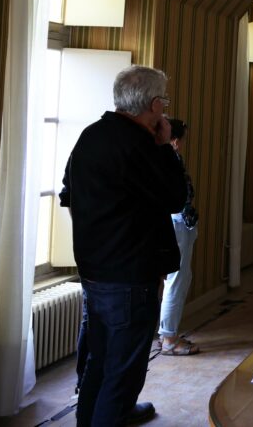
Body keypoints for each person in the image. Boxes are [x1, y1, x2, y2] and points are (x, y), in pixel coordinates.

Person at [63, 65, 187, 426]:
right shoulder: (140, 145)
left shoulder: (92, 134)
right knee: (123, 372)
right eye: (164, 101)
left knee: (100, 363)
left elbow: (68, 193)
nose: (165, 109)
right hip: (129, 274)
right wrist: (166, 148)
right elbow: (175, 198)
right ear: (154, 105)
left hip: (94, 268)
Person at [158, 119, 199, 356]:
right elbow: (181, 195)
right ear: (175, 140)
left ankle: (167, 333)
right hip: (177, 222)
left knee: (179, 277)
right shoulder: (171, 159)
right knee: (177, 278)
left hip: (177, 222)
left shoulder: (164, 158)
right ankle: (169, 337)